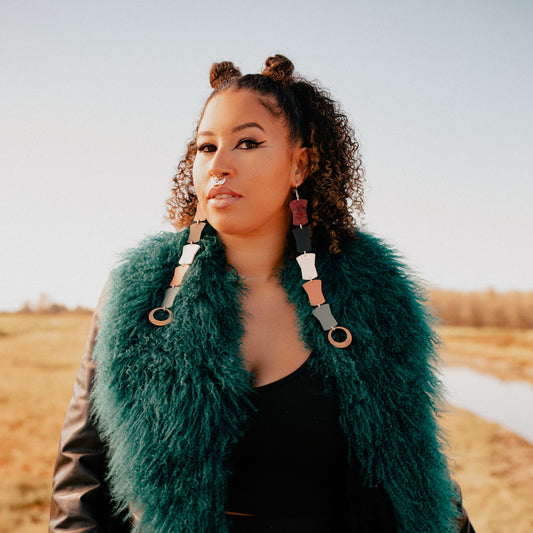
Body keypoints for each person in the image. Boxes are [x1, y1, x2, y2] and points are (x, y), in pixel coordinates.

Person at [50, 54, 475, 532]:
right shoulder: (141, 292)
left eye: (248, 143)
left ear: (300, 164)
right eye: (205, 148)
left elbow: (414, 468)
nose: (219, 166)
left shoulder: (373, 294)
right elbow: (82, 471)